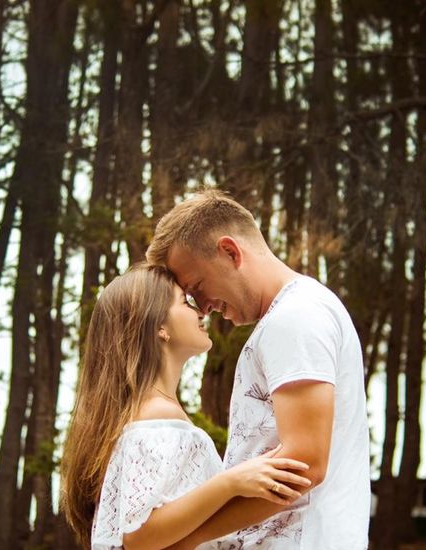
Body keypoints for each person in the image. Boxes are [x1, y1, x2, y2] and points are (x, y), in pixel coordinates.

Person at [146, 190, 371, 549]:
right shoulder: (292, 314)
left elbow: (304, 464)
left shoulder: (295, 317)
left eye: (197, 287)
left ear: (230, 252)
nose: (201, 307)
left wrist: (185, 537)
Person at [60, 264, 312, 549]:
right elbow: (139, 535)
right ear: (160, 328)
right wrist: (232, 482)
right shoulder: (157, 417)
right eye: (185, 302)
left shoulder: (150, 414)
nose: (202, 311)